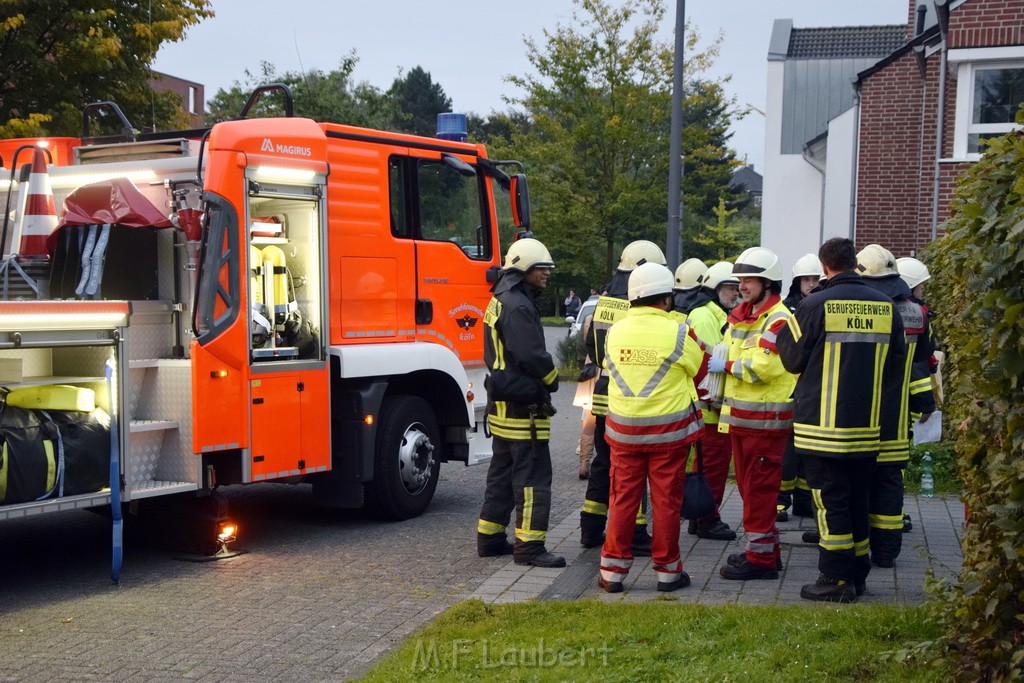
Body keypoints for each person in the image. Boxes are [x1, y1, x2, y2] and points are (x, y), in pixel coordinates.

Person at [776, 237, 906, 602]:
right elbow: (897, 364)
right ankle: (858, 575)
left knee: (829, 500)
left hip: (822, 427)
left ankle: (835, 579)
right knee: (859, 499)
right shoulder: (886, 307)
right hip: (868, 426)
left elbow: (790, 358)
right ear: (855, 264)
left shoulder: (814, 304)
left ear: (825, 267)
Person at [597, 262, 708, 593]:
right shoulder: (680, 332)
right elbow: (700, 372)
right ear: (667, 299)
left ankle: (612, 573)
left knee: (622, 500)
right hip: (668, 435)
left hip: (623, 433)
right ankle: (668, 573)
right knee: (666, 503)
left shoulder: (615, 331)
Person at [477, 237, 564, 568]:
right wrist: (553, 379)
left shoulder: (500, 298)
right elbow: (531, 355)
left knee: (501, 473)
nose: (546, 274)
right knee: (533, 477)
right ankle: (529, 547)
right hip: (524, 410)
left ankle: (490, 537)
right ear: (524, 269)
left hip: (502, 404)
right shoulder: (520, 305)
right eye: (541, 268)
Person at [711, 247, 796, 581]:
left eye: (749, 280)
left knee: (760, 490)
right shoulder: (743, 315)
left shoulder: (778, 320)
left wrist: (727, 366)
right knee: (750, 489)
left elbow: (763, 368)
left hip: (765, 422)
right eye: (740, 279)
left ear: (768, 283)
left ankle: (759, 561)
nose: (742, 285)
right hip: (743, 420)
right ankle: (765, 550)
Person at [580, 240, 666, 553]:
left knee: (604, 462)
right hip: (628, 396)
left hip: (603, 391)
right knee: (633, 465)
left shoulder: (604, 300)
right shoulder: (637, 302)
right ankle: (636, 533)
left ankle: (590, 529)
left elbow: (591, 346)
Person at [857, 244, 934, 568]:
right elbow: (921, 364)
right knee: (889, 482)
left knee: (858, 482)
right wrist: (924, 402)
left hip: (857, 414)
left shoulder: (858, 310)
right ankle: (886, 551)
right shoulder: (916, 313)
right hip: (896, 418)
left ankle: (856, 549)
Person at [683, 261, 740, 541]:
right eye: (730, 288)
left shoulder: (715, 314)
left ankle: (700, 515)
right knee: (713, 467)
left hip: (712, 409)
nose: (735, 293)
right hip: (711, 410)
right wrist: (715, 399)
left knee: (707, 466)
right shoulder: (706, 316)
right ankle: (707, 518)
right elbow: (705, 365)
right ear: (714, 289)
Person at [776, 253, 823, 522]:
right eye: (806, 279)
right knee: (788, 451)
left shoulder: (823, 307)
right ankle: (781, 501)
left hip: (813, 390)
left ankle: (805, 502)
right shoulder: (788, 311)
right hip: (788, 389)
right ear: (797, 282)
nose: (811, 283)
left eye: (816, 278)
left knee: (809, 450)